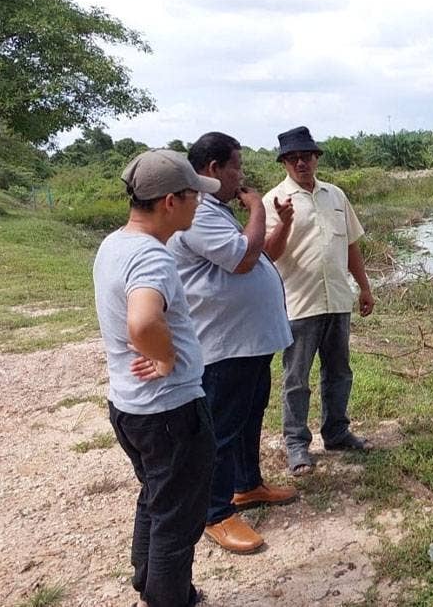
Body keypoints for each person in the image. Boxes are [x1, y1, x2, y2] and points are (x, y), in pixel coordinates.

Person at [93, 149, 220, 607]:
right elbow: (143, 322)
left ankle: (149, 580)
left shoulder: (114, 244)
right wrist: (166, 360)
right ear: (171, 201)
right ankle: (169, 597)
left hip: (130, 406)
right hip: (170, 411)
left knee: (156, 495)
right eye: (193, 197)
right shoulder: (152, 257)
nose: (199, 205)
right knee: (178, 518)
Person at [168, 132, 296, 554]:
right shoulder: (201, 213)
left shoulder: (218, 212)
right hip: (224, 345)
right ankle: (216, 512)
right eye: (236, 165)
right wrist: (258, 207)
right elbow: (243, 259)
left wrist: (274, 223)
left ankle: (247, 485)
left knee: (247, 416)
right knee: (222, 428)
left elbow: (257, 253)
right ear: (212, 169)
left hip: (248, 342)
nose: (241, 174)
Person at [262, 126, 375, 476]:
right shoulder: (274, 201)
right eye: (293, 158)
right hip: (299, 303)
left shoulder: (335, 196)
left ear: (315, 158)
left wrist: (365, 288)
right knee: (296, 378)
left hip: (338, 299)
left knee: (339, 372)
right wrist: (282, 223)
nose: (301, 163)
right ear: (283, 162)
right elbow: (269, 253)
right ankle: (297, 445)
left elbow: (351, 245)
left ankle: (337, 432)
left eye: (306, 156)